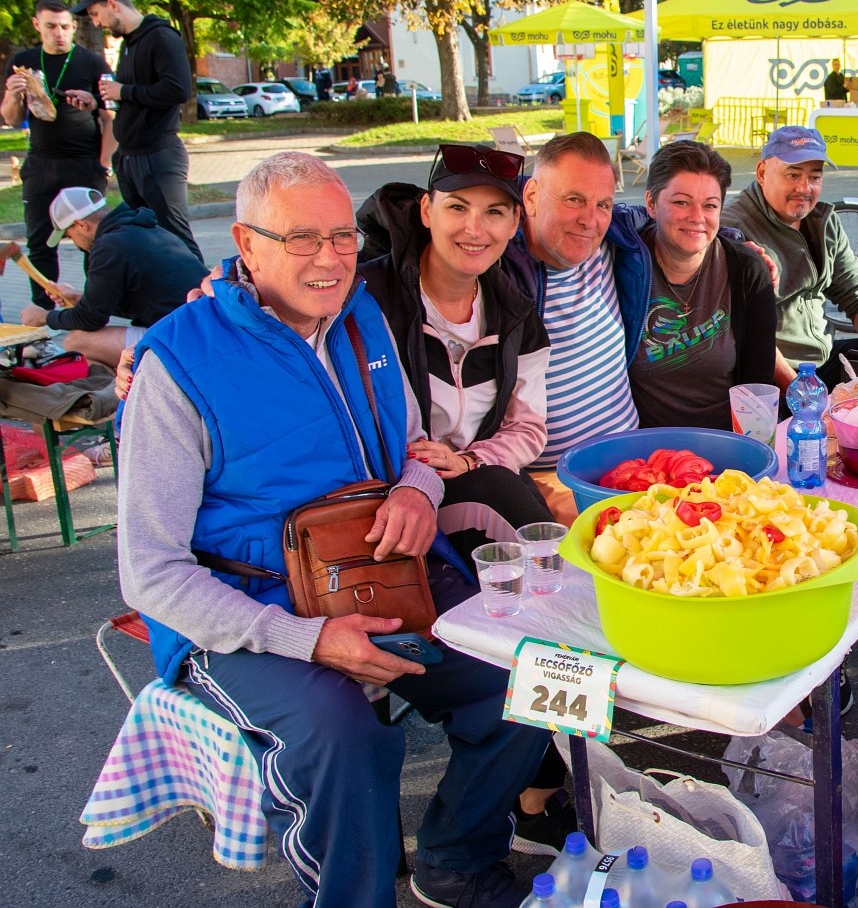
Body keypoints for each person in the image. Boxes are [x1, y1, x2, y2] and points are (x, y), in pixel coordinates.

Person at [118, 152, 551, 908]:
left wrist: (416, 490)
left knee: (531, 676)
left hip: (380, 574)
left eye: (342, 236)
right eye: (300, 238)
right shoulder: (180, 360)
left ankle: (456, 857)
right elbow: (150, 573)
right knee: (343, 736)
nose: (329, 258)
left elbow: (414, 446)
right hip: (245, 609)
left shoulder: (361, 315)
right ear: (247, 244)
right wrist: (306, 639)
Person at [360, 143, 554, 554]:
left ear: (515, 223)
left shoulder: (516, 315)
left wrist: (468, 461)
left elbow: (527, 427)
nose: (474, 229)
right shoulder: (367, 297)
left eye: (494, 212)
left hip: (477, 479)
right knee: (506, 498)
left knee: (513, 496)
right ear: (426, 210)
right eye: (457, 208)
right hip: (390, 495)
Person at [499, 132, 650, 524]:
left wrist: (737, 243)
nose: (589, 219)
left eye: (602, 204)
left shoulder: (615, 239)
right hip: (552, 484)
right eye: (573, 200)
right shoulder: (499, 268)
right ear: (531, 197)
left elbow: (679, 219)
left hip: (635, 468)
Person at [720, 125, 858, 389]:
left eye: (815, 177)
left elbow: (857, 294)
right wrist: (801, 392)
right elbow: (747, 332)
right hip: (771, 374)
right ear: (762, 173)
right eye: (793, 174)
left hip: (824, 357)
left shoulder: (823, 221)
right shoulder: (733, 231)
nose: (804, 188)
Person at [628, 140, 778, 428]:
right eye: (681, 202)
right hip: (648, 447)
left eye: (710, 205)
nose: (697, 217)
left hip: (726, 441)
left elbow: (757, 385)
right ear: (651, 203)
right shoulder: (623, 265)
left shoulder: (746, 270)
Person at [72, 0, 201, 261]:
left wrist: (124, 91)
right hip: (130, 158)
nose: (96, 23)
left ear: (112, 4)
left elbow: (178, 89)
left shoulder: (161, 37)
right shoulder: (128, 45)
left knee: (176, 240)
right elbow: (133, 98)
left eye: (95, 14)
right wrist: (96, 101)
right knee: (146, 240)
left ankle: (201, 289)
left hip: (158, 156)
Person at [2, 0, 115, 309]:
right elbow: (11, 118)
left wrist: (104, 165)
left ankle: (94, 310)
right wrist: (13, 95)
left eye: (65, 26)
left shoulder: (92, 63)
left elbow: (111, 119)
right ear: (37, 25)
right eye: (51, 26)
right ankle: (44, 313)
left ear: (74, 26)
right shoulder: (23, 62)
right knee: (40, 243)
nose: (59, 33)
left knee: (94, 242)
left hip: (84, 165)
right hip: (41, 164)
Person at [17, 186, 207, 366]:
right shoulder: (143, 228)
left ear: (81, 225)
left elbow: (90, 319)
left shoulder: (109, 246)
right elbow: (146, 302)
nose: (75, 244)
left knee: (76, 341)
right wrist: (79, 298)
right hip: (203, 328)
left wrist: (44, 317)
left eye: (69, 235)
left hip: (185, 340)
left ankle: (125, 387)